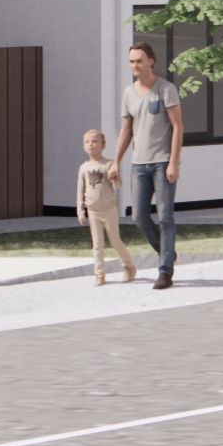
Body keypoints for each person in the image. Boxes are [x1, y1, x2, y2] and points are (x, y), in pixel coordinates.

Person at [110, 41, 183, 290]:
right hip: (138, 164)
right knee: (139, 217)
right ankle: (167, 253)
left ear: (151, 61)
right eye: (131, 61)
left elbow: (177, 127)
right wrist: (115, 161)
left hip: (162, 162)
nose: (135, 65)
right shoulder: (128, 93)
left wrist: (174, 162)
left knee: (165, 217)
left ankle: (165, 271)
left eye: (139, 60)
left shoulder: (166, 89)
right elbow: (125, 130)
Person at [77, 127, 139, 285]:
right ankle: (99, 274)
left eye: (94, 141)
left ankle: (129, 266)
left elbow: (118, 185)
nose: (91, 144)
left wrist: (115, 177)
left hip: (109, 210)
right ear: (84, 146)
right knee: (97, 244)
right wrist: (80, 209)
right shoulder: (84, 168)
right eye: (87, 142)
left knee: (115, 240)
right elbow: (80, 190)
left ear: (103, 145)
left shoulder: (109, 164)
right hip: (93, 211)